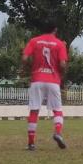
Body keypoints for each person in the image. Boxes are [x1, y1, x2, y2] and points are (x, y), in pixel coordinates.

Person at [22, 22, 68, 150]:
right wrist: (61, 73)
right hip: (53, 80)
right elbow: (63, 64)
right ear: (55, 29)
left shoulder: (34, 41)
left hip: (37, 79)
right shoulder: (59, 44)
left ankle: (31, 143)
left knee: (34, 110)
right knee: (57, 109)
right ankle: (58, 133)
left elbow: (25, 58)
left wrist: (31, 68)